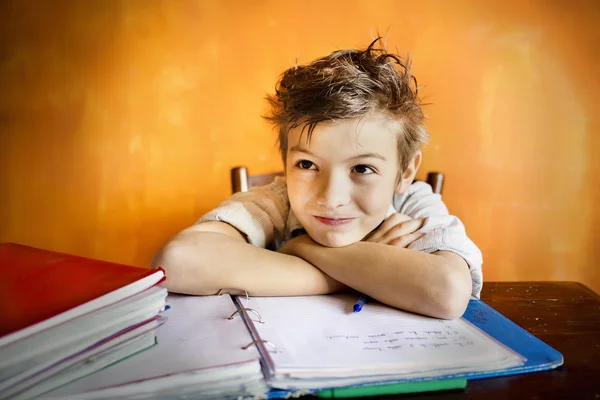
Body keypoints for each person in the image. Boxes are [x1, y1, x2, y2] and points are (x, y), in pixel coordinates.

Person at [151, 38, 482, 319]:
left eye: (362, 169)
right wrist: (357, 271)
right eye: (307, 165)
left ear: (405, 172)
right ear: (285, 162)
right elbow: (178, 260)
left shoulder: (414, 205)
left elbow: (447, 292)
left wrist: (301, 247)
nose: (331, 197)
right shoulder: (277, 200)